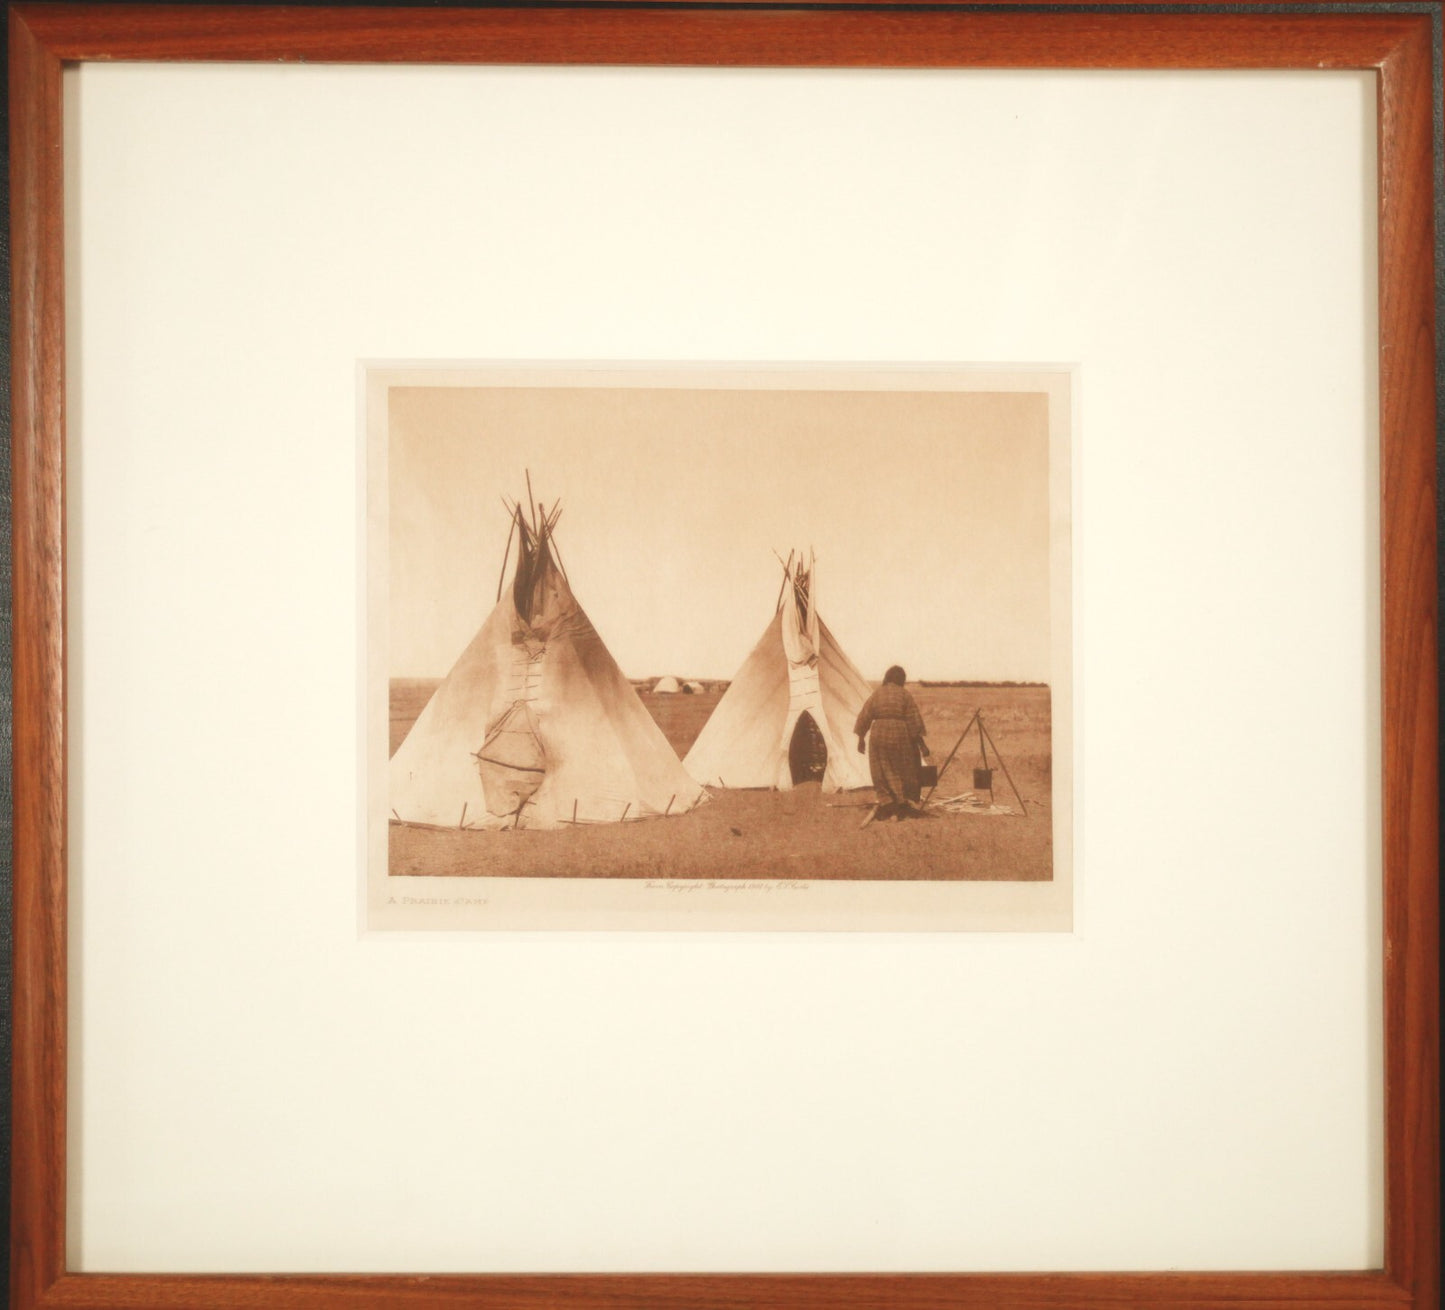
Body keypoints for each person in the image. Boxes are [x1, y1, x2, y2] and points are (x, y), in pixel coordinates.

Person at [854, 666, 930, 819]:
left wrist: (861, 738)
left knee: (881, 768)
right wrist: (922, 745)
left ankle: (887, 803)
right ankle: (900, 803)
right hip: (900, 734)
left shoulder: (877, 694)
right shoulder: (904, 695)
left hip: (878, 734)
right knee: (902, 768)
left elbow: (865, 716)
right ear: (901, 679)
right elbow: (913, 721)